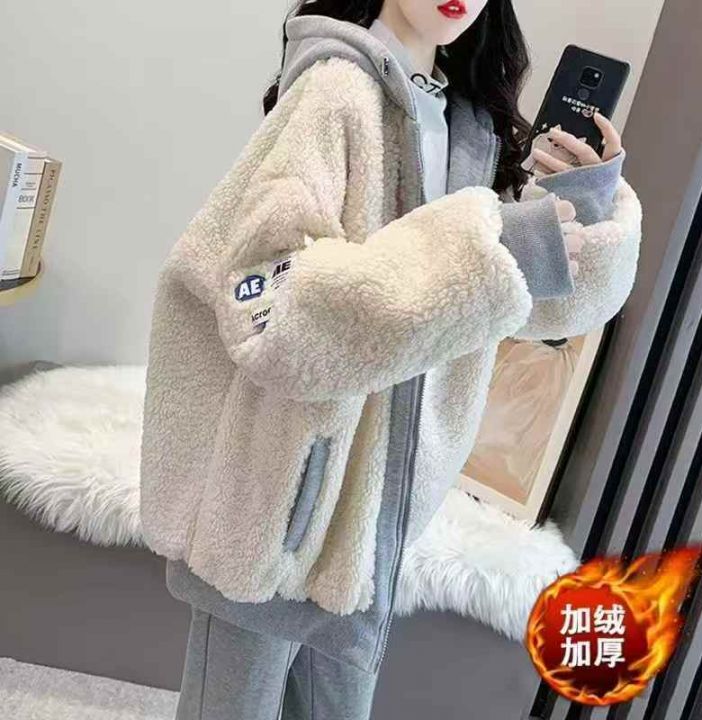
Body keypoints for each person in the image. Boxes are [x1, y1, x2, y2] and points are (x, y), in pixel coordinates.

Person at [139, 0, 642, 717]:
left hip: (377, 514)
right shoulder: (334, 90)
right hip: (280, 502)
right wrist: (482, 251)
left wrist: (581, 210)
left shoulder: (467, 127)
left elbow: (527, 306)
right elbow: (269, 300)